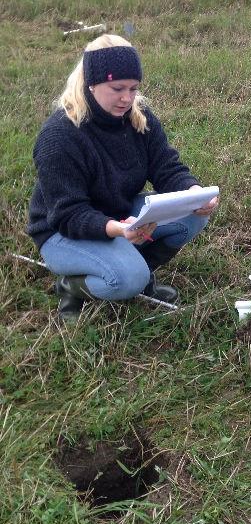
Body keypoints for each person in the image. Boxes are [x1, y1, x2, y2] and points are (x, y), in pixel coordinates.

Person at [27, 34, 219, 321]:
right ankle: (72, 286)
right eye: (117, 88)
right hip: (62, 232)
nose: (127, 98)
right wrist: (117, 229)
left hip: (119, 216)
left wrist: (194, 192)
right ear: (91, 84)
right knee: (128, 279)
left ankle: (132, 269)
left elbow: (166, 166)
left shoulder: (138, 117)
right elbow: (68, 214)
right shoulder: (59, 136)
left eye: (133, 88)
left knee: (193, 216)